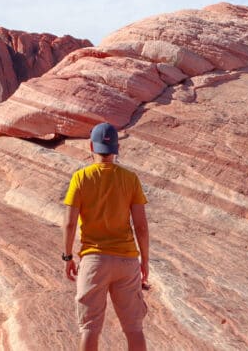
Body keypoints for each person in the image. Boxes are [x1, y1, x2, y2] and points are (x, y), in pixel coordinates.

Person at [62, 122, 150, 351]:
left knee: (90, 328)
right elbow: (141, 226)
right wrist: (145, 262)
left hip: (94, 261)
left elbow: (70, 222)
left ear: (91, 146)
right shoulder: (130, 179)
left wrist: (67, 256)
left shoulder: (81, 178)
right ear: (116, 149)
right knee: (134, 329)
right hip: (126, 261)